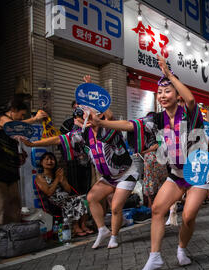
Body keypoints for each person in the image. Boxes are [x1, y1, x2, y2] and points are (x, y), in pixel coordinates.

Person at [89, 55, 208, 270]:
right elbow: (130, 125)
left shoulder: (190, 114)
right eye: (160, 92)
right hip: (176, 174)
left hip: (198, 172)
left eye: (168, 91)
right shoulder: (157, 119)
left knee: (188, 217)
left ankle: (181, 249)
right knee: (157, 210)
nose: (163, 96)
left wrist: (169, 74)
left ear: (176, 94)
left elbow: (191, 100)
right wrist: (101, 123)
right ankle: (155, 257)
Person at [22, 80, 139, 249]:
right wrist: (33, 144)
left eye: (91, 112)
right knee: (91, 198)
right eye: (85, 113)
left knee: (115, 207)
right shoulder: (83, 134)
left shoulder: (109, 128)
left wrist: (93, 93)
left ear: (99, 115)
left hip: (125, 173)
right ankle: (102, 230)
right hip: (108, 177)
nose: (87, 116)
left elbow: (111, 116)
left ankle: (114, 236)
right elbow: (59, 139)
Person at [0, 96, 48, 225]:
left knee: (15, 206)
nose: (22, 118)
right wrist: (35, 119)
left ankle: (14, 236)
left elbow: (12, 141)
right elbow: (12, 126)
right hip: (0, 173)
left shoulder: (13, 129)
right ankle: (2, 239)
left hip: (12, 172)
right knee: (2, 206)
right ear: (13, 109)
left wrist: (21, 154)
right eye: (21, 115)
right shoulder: (1, 117)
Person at [35, 152, 91, 236]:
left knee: (83, 198)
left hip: (65, 196)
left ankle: (83, 225)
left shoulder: (57, 173)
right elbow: (49, 193)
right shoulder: (40, 177)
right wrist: (57, 179)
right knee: (72, 201)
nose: (50, 161)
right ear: (41, 163)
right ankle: (75, 227)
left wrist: (63, 180)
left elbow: (68, 190)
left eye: (52, 159)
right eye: (47, 159)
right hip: (54, 200)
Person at [60, 101, 92, 195]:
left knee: (89, 184)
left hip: (88, 160)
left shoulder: (89, 122)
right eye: (76, 108)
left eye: (80, 108)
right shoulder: (67, 123)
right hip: (72, 161)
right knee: (74, 184)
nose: (78, 111)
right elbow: (61, 141)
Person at [140, 112, 168, 209]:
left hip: (155, 158)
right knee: (154, 183)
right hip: (153, 159)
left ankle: (155, 207)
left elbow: (158, 144)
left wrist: (144, 151)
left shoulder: (157, 131)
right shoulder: (149, 132)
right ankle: (154, 207)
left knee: (154, 183)